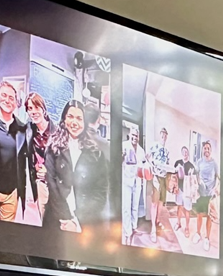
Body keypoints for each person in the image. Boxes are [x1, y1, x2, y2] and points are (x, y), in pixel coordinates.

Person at [45, 98, 109, 233]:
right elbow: (52, 186)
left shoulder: (96, 153)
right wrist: (66, 219)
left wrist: (77, 222)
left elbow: (100, 193)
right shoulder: (53, 148)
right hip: (56, 219)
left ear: (85, 122)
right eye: (70, 117)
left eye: (79, 118)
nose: (74, 122)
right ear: (64, 119)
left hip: (85, 223)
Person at [0, 80, 35, 221]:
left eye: (11, 98)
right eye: (4, 95)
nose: (7, 100)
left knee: (6, 235)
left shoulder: (22, 128)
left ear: (16, 102)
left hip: (11, 193)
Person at [25, 91, 53, 222]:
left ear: (43, 109)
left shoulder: (57, 132)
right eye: (30, 108)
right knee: (45, 222)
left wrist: (48, 172)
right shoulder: (28, 131)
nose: (34, 112)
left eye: (37, 107)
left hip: (56, 185)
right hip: (40, 184)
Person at [122, 127, 148, 245]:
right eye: (132, 135)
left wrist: (147, 161)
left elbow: (143, 165)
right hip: (126, 181)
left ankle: (133, 227)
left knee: (135, 207)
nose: (134, 138)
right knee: (126, 207)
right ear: (129, 135)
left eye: (136, 136)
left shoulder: (141, 151)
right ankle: (127, 233)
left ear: (138, 137)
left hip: (137, 182)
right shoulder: (124, 146)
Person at [193, 139, 219, 251]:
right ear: (202, 150)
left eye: (208, 148)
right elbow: (196, 176)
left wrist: (216, 189)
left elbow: (219, 178)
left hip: (210, 195)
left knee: (209, 217)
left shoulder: (214, 164)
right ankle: (198, 233)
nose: (206, 150)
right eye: (205, 148)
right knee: (199, 215)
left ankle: (207, 238)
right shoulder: (199, 162)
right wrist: (197, 183)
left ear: (211, 150)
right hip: (201, 193)